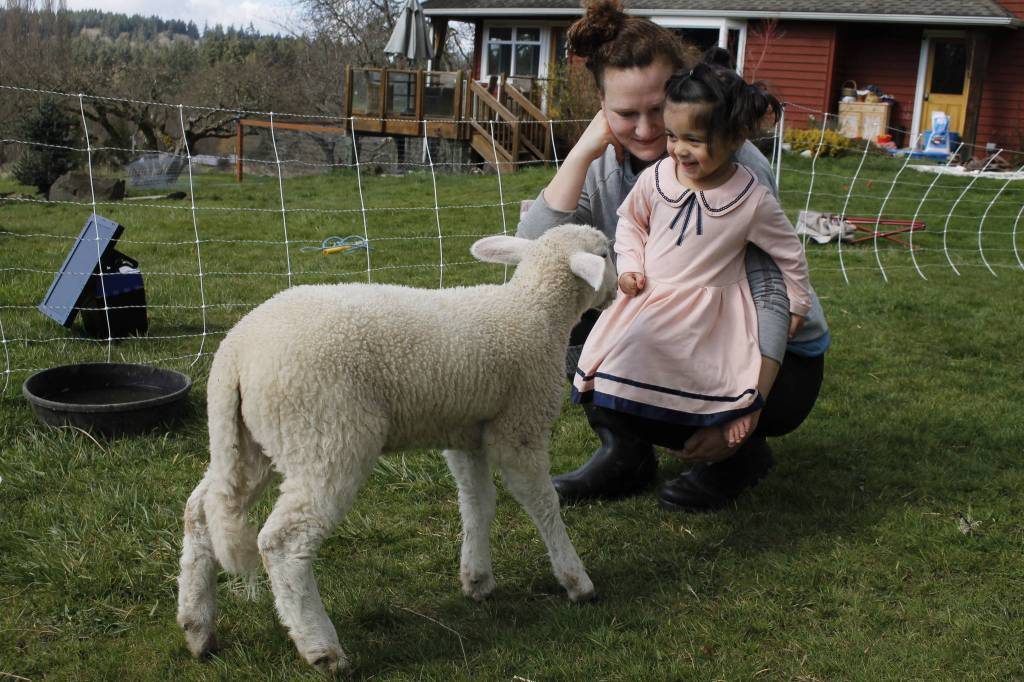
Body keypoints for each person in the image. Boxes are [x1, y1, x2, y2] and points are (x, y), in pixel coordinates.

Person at [516, 0, 830, 512]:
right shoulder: (604, 163)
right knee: (568, 294)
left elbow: (771, 293)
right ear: (601, 106)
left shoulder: (733, 165)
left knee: (666, 337)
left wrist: (744, 410)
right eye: (624, 114)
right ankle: (625, 453)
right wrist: (582, 152)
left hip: (774, 354)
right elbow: (535, 253)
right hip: (681, 329)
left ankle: (739, 455)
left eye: (658, 110)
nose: (644, 131)